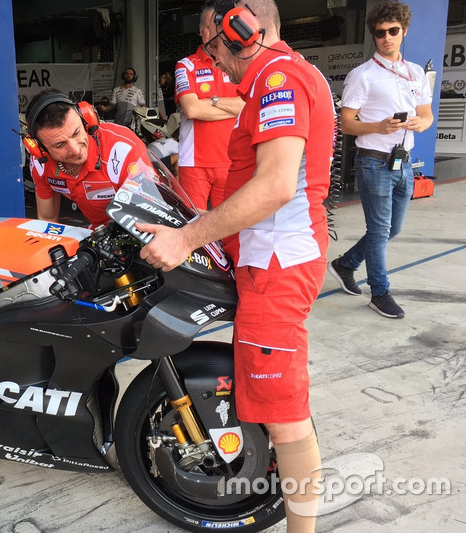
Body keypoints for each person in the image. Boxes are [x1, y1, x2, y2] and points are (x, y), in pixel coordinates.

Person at [137, 1, 335, 530]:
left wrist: (187, 238)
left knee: (284, 413)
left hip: (278, 265)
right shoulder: (278, 78)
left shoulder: (279, 80)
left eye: (214, 46)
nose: (214, 61)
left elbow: (274, 186)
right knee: (275, 400)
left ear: (242, 31)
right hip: (267, 257)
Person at [328, 0, 433, 319]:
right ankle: (380, 291)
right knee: (378, 229)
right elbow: (345, 123)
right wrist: (379, 126)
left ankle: (345, 265)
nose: (386, 37)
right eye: (379, 32)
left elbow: (427, 115)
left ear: (404, 31)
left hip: (403, 160)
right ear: (374, 35)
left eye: (393, 31)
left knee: (392, 228)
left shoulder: (416, 73)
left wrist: (420, 123)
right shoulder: (363, 75)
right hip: (373, 162)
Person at [26, 89, 151, 228]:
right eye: (60, 144)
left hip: (140, 229)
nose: (75, 149)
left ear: (87, 120)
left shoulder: (122, 150)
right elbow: (47, 220)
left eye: (76, 133)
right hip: (98, 234)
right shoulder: (40, 162)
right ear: (39, 148)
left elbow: (150, 218)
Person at [175, 3, 244, 210]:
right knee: (190, 225)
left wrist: (211, 101)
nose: (211, 31)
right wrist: (229, 108)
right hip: (194, 164)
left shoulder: (237, 64)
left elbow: (246, 106)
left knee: (228, 229)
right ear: (200, 30)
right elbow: (192, 110)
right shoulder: (185, 65)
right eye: (206, 26)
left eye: (215, 25)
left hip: (230, 161)